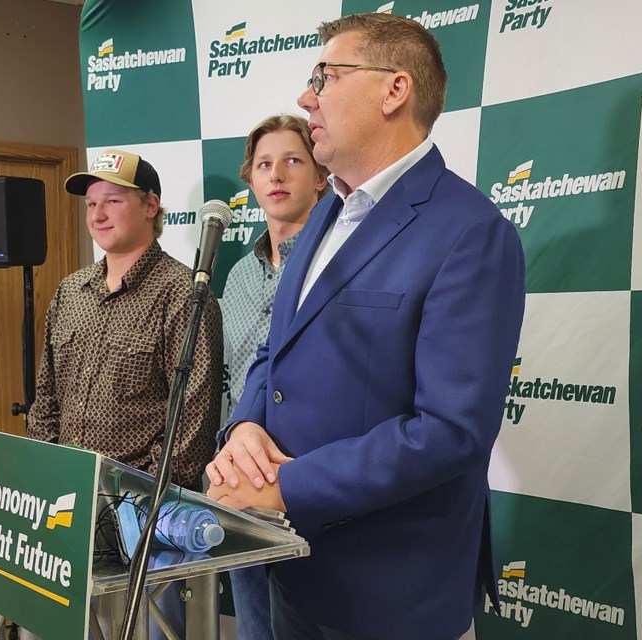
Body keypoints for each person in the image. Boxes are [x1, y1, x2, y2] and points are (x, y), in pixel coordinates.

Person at [205, 12, 526, 640]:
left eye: (325, 75)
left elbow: (450, 430)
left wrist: (285, 487)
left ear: (394, 89)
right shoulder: (326, 213)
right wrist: (245, 422)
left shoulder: (470, 232)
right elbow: (277, 348)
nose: (306, 95)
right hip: (295, 570)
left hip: (390, 594)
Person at [26, 148, 224, 639]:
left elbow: (195, 417)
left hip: (145, 517)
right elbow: (46, 395)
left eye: (113, 201)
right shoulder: (70, 292)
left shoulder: (184, 293)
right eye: (91, 204)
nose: (97, 214)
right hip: (69, 503)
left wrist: (136, 501)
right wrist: (50, 472)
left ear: (151, 206)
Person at [221, 114, 329, 640]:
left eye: (293, 161)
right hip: (240, 475)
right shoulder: (238, 275)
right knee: (253, 626)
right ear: (251, 180)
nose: (277, 174)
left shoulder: (337, 266)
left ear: (320, 176)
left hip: (304, 474)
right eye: (265, 164)